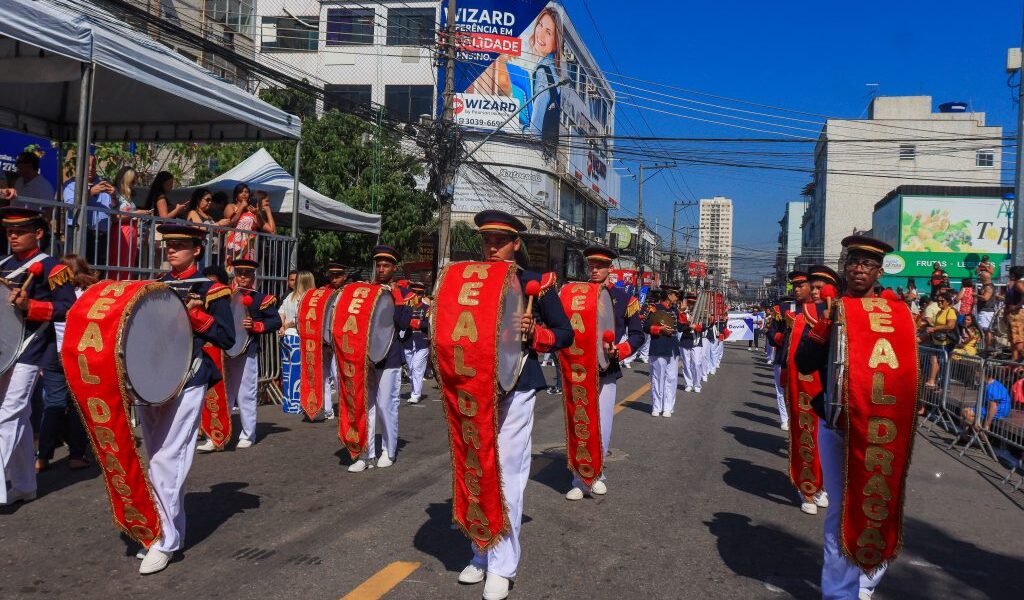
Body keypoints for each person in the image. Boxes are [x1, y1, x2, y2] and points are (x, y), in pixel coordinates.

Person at [455, 210, 573, 600]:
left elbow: (565, 334)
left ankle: (502, 565)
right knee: (476, 463)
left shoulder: (533, 282)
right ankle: (480, 551)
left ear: (516, 243)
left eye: (500, 240)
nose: (492, 246)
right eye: (487, 239)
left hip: (518, 381)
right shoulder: (467, 280)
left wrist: (535, 332)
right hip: (476, 387)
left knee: (505, 470)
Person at [795, 235, 918, 600]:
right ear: (845, 267)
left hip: (881, 428)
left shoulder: (895, 315)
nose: (858, 269)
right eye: (853, 262)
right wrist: (823, 327)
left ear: (879, 272)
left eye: (867, 264)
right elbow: (804, 364)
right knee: (839, 512)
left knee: (879, 503)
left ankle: (866, 580)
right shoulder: (832, 309)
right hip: (836, 423)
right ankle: (838, 593)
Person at [134, 223, 235, 574]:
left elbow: (226, 337)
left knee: (168, 458)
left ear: (197, 249)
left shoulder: (213, 289)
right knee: (155, 457)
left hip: (189, 376)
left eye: (179, 245)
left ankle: (164, 540)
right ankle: (165, 528)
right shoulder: (155, 286)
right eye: (169, 245)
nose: (171, 250)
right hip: (151, 381)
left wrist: (195, 315)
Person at [0, 207, 76, 505]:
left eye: (19, 231)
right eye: (9, 231)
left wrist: (30, 306)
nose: (13, 236)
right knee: (20, 416)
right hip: (5, 349)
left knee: (9, 413)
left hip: (32, 349)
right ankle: (24, 485)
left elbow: (67, 307)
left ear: (39, 234)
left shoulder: (53, 268)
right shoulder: (4, 265)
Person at [564, 246, 643, 501]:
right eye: (591, 265)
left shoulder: (624, 298)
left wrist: (619, 350)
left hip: (607, 369)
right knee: (579, 423)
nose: (595, 270)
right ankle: (578, 478)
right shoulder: (578, 295)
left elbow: (637, 334)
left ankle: (596, 475)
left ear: (610, 268)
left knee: (603, 425)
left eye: (600, 265)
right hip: (579, 369)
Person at [347, 245, 418, 472]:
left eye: (385, 265)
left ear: (394, 268)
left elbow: (404, 323)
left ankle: (389, 450)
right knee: (365, 406)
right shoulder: (368, 292)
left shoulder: (405, 295)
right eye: (378, 265)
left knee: (387, 405)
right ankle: (365, 454)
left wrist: (394, 296)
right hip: (366, 356)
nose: (380, 269)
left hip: (390, 356)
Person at [198, 260, 280, 452]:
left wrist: (258, 326)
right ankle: (217, 435)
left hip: (246, 350)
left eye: (247, 273)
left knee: (246, 394)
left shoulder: (260, 298)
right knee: (221, 394)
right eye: (240, 273)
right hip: (222, 350)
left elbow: (275, 321)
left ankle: (248, 433)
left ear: (253, 276)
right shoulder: (224, 295)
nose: (243, 276)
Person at [35, 253, 96, 473]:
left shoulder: (54, 295)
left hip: (53, 353)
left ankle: (43, 456)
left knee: (53, 404)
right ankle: (76, 455)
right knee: (77, 406)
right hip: (77, 354)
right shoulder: (89, 295)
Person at [62, 155, 114, 266]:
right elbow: (71, 204)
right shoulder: (71, 184)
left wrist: (114, 196)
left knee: (98, 270)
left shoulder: (103, 184)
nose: (91, 169)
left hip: (101, 235)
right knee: (77, 267)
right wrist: (90, 192)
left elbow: (113, 207)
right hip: (79, 232)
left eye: (93, 166)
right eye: (87, 165)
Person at [108, 167, 152, 280]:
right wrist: (136, 213)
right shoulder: (115, 193)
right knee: (119, 261)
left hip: (131, 231)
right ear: (126, 180)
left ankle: (125, 284)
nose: (134, 184)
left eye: (135, 181)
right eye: (132, 181)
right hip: (121, 231)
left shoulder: (128, 196)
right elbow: (115, 217)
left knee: (129, 262)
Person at [279, 270, 312, 415]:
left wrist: (281, 326)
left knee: (286, 372)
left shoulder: (290, 297)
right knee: (297, 374)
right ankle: (296, 405)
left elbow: (281, 313)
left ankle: (288, 404)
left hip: (285, 337)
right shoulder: (306, 298)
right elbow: (299, 318)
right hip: (297, 338)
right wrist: (286, 325)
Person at [645, 287, 681, 418]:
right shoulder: (654, 308)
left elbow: (681, 327)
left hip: (672, 348)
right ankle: (656, 406)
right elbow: (646, 327)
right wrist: (660, 329)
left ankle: (668, 407)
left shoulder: (675, 310)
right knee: (657, 378)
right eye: (675, 294)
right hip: (658, 346)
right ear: (668, 294)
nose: (677, 297)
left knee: (671, 379)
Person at [224, 185, 275, 266]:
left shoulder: (252, 211)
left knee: (246, 271)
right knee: (231, 270)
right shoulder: (230, 206)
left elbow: (272, 231)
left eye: (246, 192)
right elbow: (232, 222)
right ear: (236, 195)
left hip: (249, 247)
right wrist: (241, 207)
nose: (244, 194)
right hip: (234, 246)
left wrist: (261, 213)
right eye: (241, 192)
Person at [402, 281, 431, 404]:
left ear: (423, 295)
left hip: (422, 343)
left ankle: (416, 394)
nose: (416, 296)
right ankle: (414, 391)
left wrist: (417, 323)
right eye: (414, 293)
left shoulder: (427, 308)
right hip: (408, 341)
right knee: (410, 370)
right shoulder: (405, 308)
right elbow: (401, 323)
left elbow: (428, 325)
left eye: (419, 293)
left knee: (417, 368)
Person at [923, 293, 957, 388]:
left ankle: (944, 387)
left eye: (942, 301)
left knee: (943, 365)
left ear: (948, 302)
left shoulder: (950, 311)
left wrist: (934, 328)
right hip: (936, 340)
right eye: (938, 300)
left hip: (945, 343)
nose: (939, 302)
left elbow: (950, 326)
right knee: (934, 361)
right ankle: (933, 382)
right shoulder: (939, 312)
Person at [679, 292, 703, 393]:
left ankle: (697, 384)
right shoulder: (682, 313)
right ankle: (688, 383)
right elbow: (679, 328)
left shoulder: (701, 313)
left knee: (696, 363)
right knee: (686, 364)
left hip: (696, 340)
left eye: (694, 303)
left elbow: (705, 326)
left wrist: (696, 327)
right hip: (685, 340)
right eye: (690, 302)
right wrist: (688, 325)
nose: (692, 304)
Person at [1005, 266, 1024, 362]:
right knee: (1013, 341)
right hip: (1011, 315)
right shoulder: (1013, 284)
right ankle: (1014, 361)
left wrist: (1017, 306)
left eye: (1010, 273)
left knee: (1018, 341)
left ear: (1013, 274)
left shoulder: (1018, 284)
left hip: (1016, 315)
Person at [976, 271, 996, 346]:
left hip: (986, 311)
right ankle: (988, 348)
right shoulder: (988, 286)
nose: (979, 278)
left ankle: (988, 348)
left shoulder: (988, 287)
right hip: (986, 311)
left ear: (984, 278)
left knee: (986, 330)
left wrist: (975, 295)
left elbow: (985, 298)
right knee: (986, 330)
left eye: (981, 276)